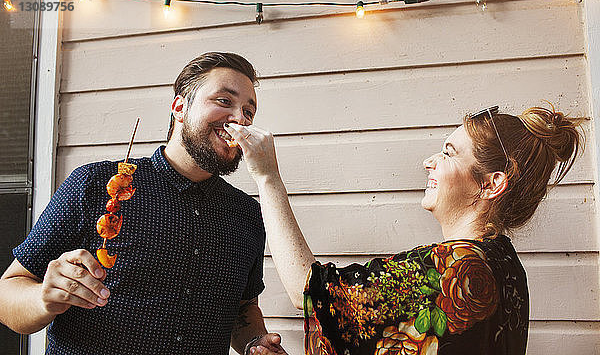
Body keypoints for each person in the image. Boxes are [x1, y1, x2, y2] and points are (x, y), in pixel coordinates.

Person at [222, 104, 584, 355]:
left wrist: (267, 177)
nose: (429, 161)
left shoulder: (456, 265)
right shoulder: (504, 261)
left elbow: (316, 291)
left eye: (449, 152)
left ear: (491, 184)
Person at [0, 52, 287, 355]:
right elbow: (8, 294)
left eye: (248, 112)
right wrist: (45, 299)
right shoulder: (94, 184)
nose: (239, 119)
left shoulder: (248, 214)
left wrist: (255, 342)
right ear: (179, 106)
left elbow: (243, 308)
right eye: (224, 101)